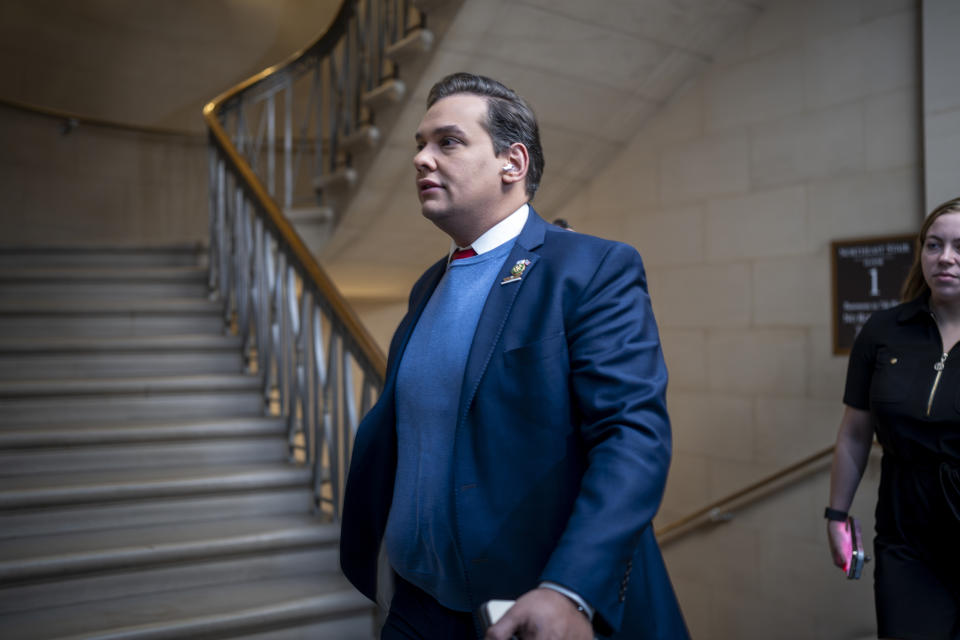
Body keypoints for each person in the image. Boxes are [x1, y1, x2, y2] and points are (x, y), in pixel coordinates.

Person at [339, 72, 688, 640]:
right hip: (417, 608)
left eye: (447, 142)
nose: (421, 159)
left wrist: (569, 589)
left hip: (525, 610)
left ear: (513, 162)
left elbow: (633, 437)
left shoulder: (589, 269)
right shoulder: (428, 285)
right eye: (419, 144)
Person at [826, 197, 960, 639]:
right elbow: (855, 433)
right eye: (934, 245)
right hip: (907, 538)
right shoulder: (883, 330)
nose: (946, 258)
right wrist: (836, 513)